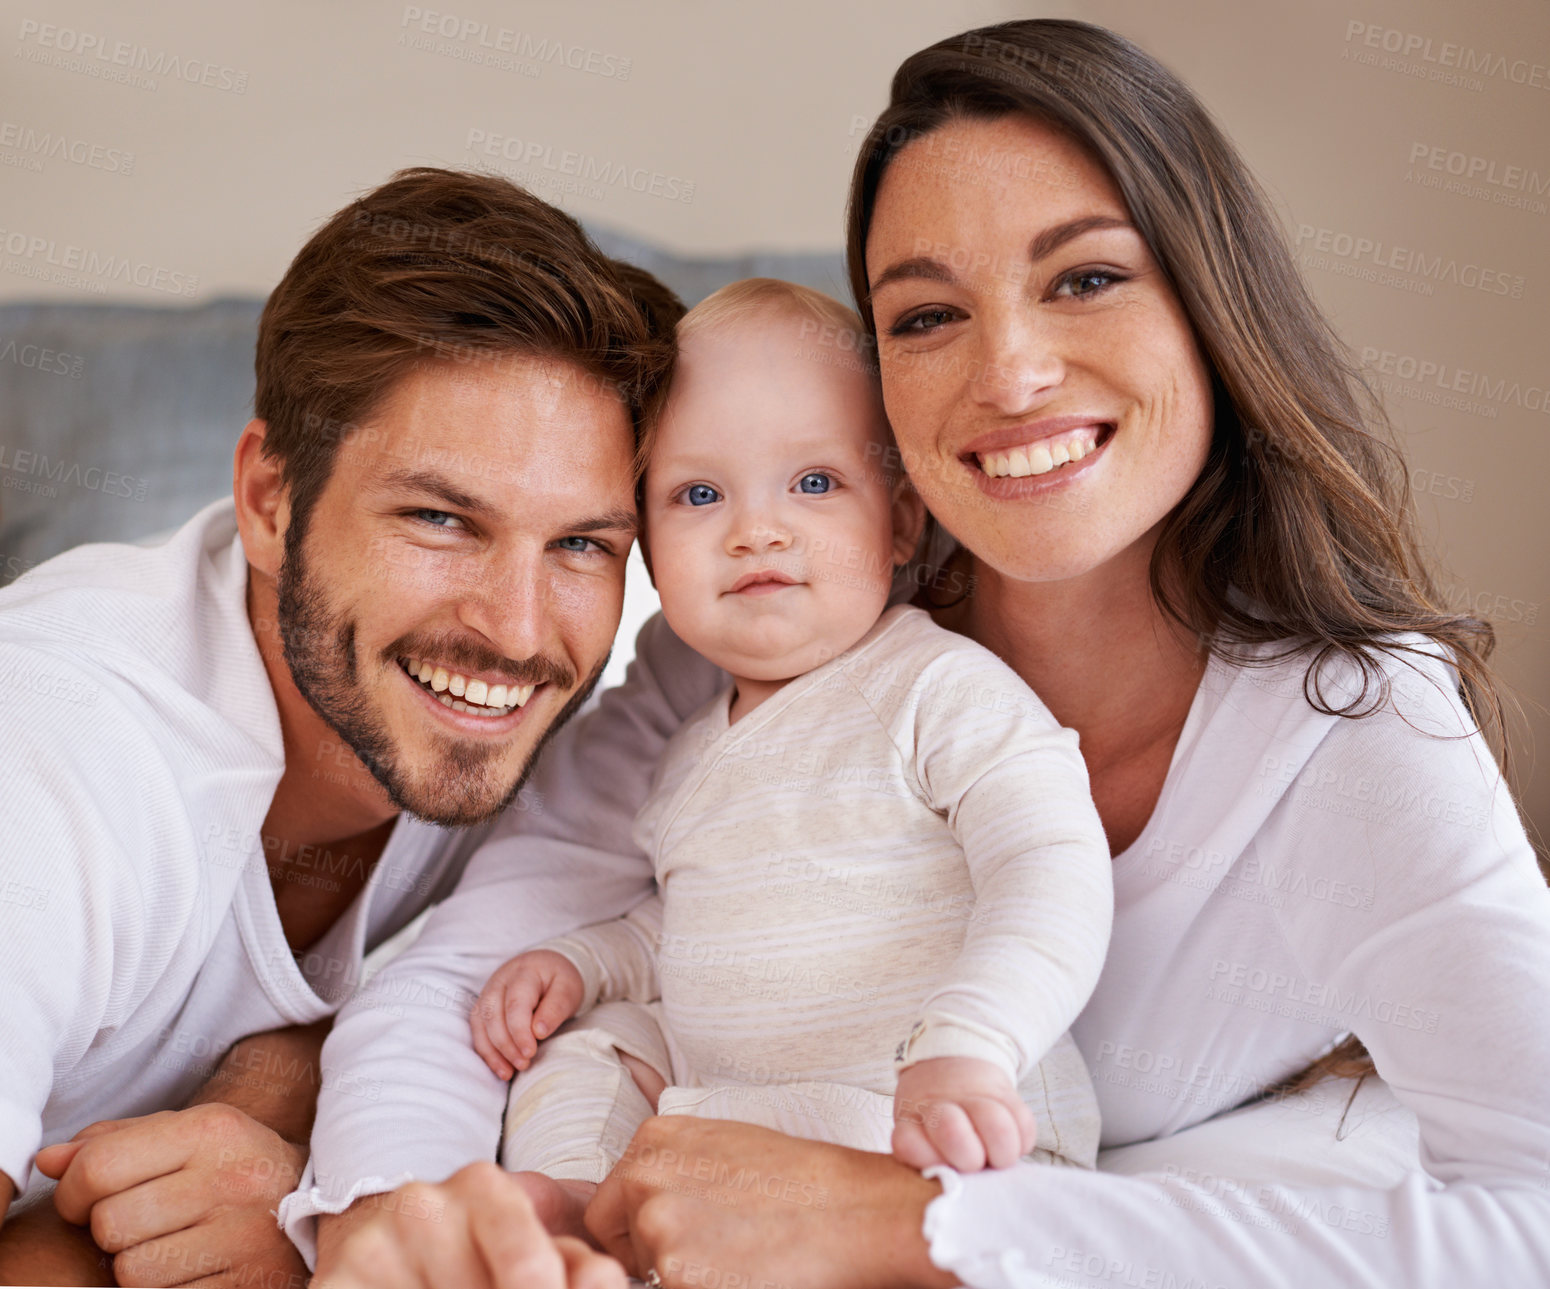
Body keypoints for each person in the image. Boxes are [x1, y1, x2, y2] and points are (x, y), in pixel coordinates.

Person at [304, 19, 1550, 1289]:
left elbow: (1534, 1213)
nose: (1009, 372)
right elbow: (467, 971)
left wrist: (923, 1228)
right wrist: (386, 1226)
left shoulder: (1354, 723)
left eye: (1083, 278)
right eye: (926, 313)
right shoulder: (780, 633)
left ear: (1207, 301)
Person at [0, 167, 676, 1287]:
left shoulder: (527, 730)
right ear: (270, 499)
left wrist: (281, 1091)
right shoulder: (57, 749)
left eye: (581, 545)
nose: (515, 632)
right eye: (440, 518)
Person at [473, 279, 1113, 1228]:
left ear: (899, 521)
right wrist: (586, 960)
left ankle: (629, 1207)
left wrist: (975, 1039)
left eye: (814, 483)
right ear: (646, 549)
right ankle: (574, 1204)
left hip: (928, 1119)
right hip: (736, 1115)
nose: (756, 529)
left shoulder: (937, 689)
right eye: (699, 494)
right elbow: (690, 926)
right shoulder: (692, 752)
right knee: (591, 1041)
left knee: (718, 1138)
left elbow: (1051, 862)